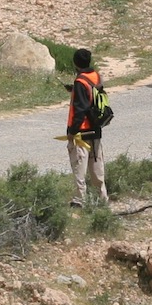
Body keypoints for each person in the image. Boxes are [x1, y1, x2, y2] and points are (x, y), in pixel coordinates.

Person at [65, 48, 108, 207]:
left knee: (79, 167)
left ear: (76, 63)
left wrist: (72, 132)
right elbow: (92, 96)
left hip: (81, 132)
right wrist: (74, 89)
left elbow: (80, 110)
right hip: (96, 129)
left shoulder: (80, 82)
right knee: (97, 166)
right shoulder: (95, 76)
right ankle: (102, 199)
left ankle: (79, 200)